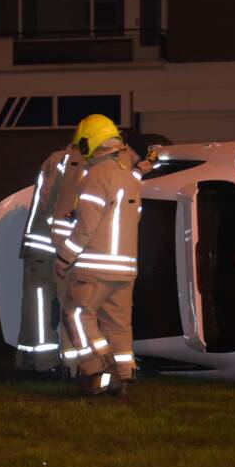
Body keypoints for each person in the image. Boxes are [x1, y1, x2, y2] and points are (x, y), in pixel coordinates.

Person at [55, 114, 142, 397]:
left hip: (95, 265)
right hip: (126, 267)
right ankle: (122, 379)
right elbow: (130, 217)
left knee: (76, 314)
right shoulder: (128, 176)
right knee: (118, 325)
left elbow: (87, 226)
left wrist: (64, 257)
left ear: (89, 142)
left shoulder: (95, 175)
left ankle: (96, 368)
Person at [14, 128, 83, 373]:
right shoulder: (66, 162)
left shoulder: (57, 160)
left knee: (34, 306)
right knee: (43, 306)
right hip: (46, 246)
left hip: (38, 246)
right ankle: (46, 363)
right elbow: (48, 203)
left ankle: (27, 359)